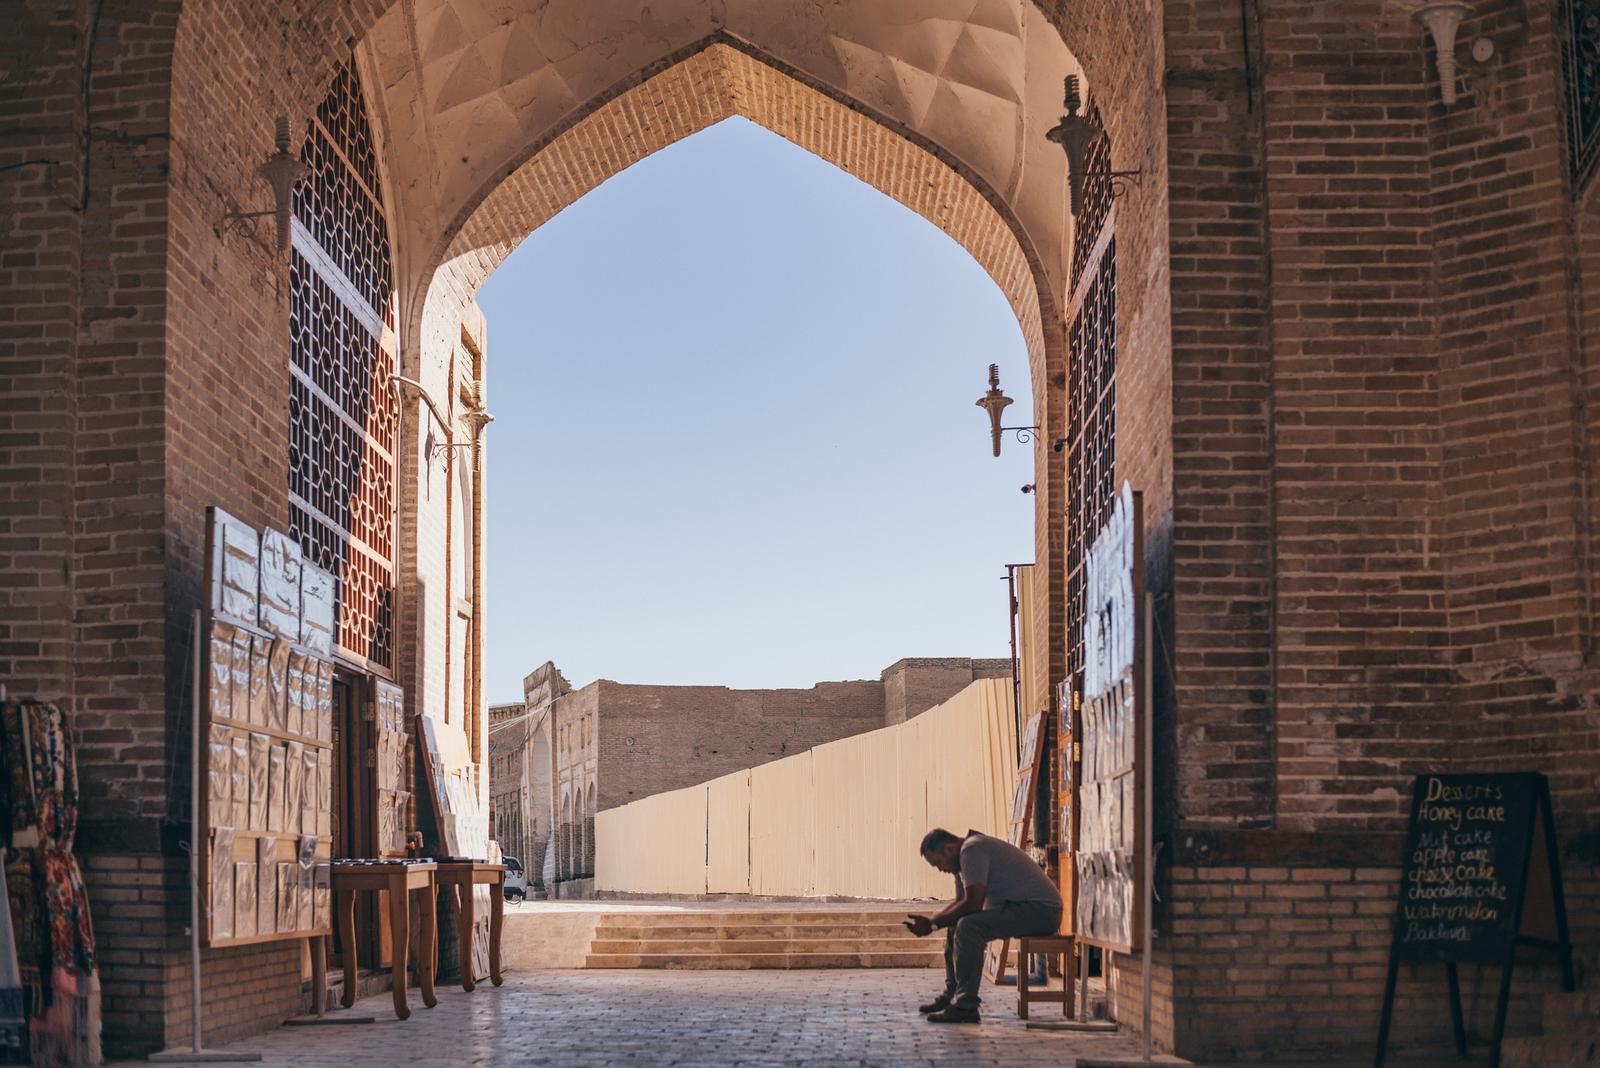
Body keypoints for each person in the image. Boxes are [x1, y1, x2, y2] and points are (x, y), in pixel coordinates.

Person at [904, 827, 1063, 1024]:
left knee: (969, 928)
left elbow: (973, 903)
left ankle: (966, 1006)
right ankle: (952, 995)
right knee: (957, 925)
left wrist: (933, 924)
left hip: (1042, 911)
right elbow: (961, 902)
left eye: (938, 863)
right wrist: (933, 922)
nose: (940, 870)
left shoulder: (972, 850)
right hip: (1022, 908)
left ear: (949, 849)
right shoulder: (961, 861)